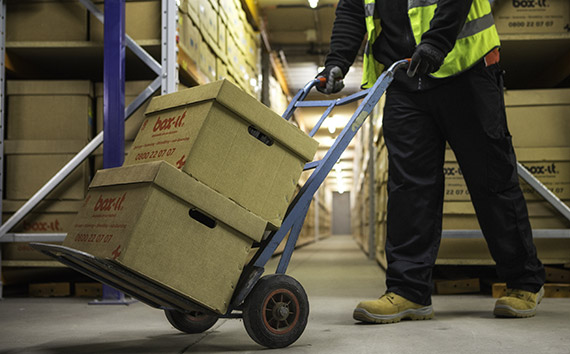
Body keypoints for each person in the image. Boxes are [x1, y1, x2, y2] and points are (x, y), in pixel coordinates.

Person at [317, 0, 546, 324]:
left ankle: (524, 281)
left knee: (490, 179)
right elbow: (353, 9)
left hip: (465, 67)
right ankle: (408, 291)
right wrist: (337, 60)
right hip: (405, 81)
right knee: (409, 188)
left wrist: (437, 41)